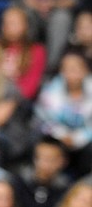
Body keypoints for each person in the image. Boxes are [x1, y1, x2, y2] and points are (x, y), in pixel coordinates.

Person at [34, 49, 92, 178]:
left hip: (85, 141)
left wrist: (78, 138)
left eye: (76, 68)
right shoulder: (50, 90)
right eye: (67, 68)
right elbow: (42, 119)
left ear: (85, 70)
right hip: (56, 137)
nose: (72, 72)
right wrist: (62, 135)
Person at [12, 136, 71, 207]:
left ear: (63, 161)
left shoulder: (67, 188)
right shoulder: (18, 182)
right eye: (41, 158)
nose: (45, 164)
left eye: (51, 159)